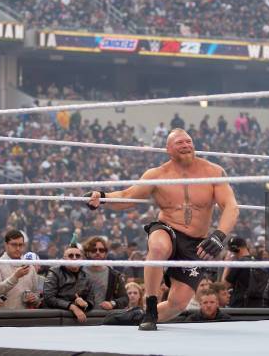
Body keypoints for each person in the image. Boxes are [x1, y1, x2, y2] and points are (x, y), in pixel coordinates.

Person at [86, 128, 239, 330]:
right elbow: (127, 197)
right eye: (180, 143)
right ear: (168, 149)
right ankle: (149, 306)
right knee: (158, 247)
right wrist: (102, 197)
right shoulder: (157, 175)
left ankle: (138, 316)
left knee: (177, 304)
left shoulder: (213, 172)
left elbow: (231, 206)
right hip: (168, 229)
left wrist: (219, 236)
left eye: (188, 141)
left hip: (196, 242)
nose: (186, 145)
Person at [0, 230, 41, 309]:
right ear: (6, 245)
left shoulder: (30, 267)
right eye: (14, 245)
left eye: (20, 245)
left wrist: (34, 298)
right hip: (0, 318)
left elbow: (36, 294)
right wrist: (15, 277)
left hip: (25, 317)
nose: (18, 248)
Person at [43, 244, 94, 323]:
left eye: (77, 256)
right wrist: (72, 306)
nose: (74, 258)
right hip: (54, 318)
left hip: (78, 319)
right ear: (64, 259)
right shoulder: (54, 272)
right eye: (71, 255)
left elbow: (91, 300)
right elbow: (49, 297)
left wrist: (85, 304)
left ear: (82, 259)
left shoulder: (87, 276)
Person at [83, 236, 128, 311]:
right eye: (94, 250)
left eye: (101, 250)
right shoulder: (78, 272)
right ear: (87, 252)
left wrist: (112, 303)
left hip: (105, 317)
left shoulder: (114, 275)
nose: (98, 252)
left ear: (105, 253)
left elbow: (125, 299)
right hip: (83, 317)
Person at [222, 237, 267, 307]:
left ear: (235, 250)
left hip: (240, 305)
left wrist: (227, 264)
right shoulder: (257, 261)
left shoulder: (239, 264)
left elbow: (224, 285)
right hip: (257, 305)